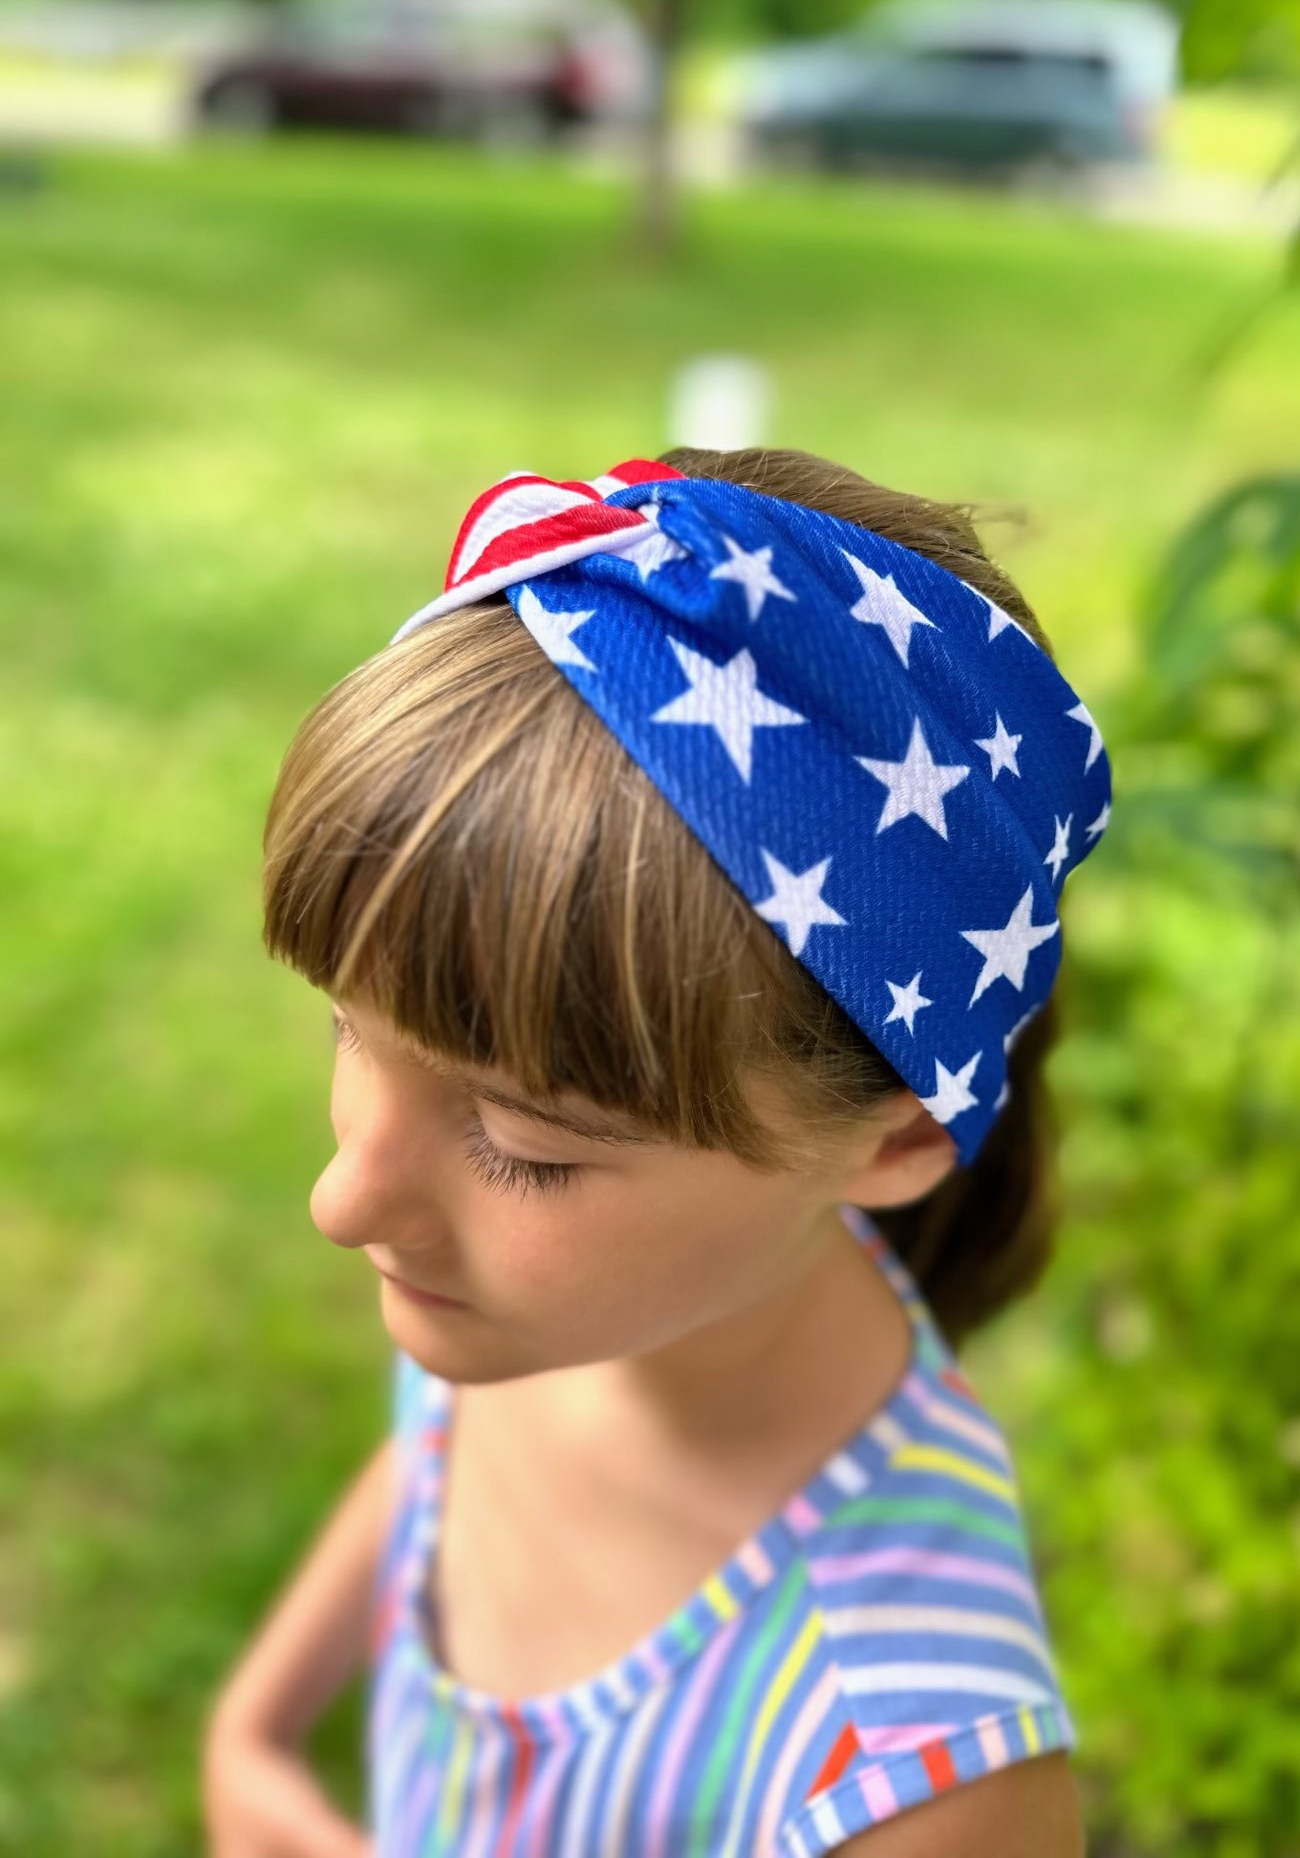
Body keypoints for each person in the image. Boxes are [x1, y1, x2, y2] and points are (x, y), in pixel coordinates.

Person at [202, 445, 1112, 1857]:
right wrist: (254, 1725)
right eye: (344, 1029)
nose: (344, 1198)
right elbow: (435, 1470)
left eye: (520, 1145)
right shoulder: (556, 1298)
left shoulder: (909, 1769)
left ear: (899, 1137)